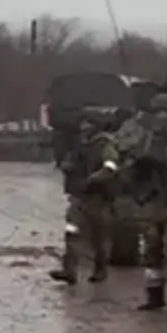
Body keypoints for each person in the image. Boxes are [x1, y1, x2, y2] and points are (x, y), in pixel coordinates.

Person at [92, 93, 167, 314]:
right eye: (158, 113)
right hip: (150, 202)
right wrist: (130, 169)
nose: (162, 118)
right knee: (151, 250)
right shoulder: (146, 138)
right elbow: (125, 158)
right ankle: (154, 296)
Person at [49, 109, 115, 284]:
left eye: (88, 123)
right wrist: (67, 166)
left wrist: (93, 179)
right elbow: (68, 161)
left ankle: (101, 269)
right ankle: (69, 270)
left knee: (98, 236)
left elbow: (111, 167)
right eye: (82, 123)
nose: (84, 127)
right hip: (79, 196)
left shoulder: (105, 144)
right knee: (72, 230)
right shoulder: (80, 144)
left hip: (97, 197)